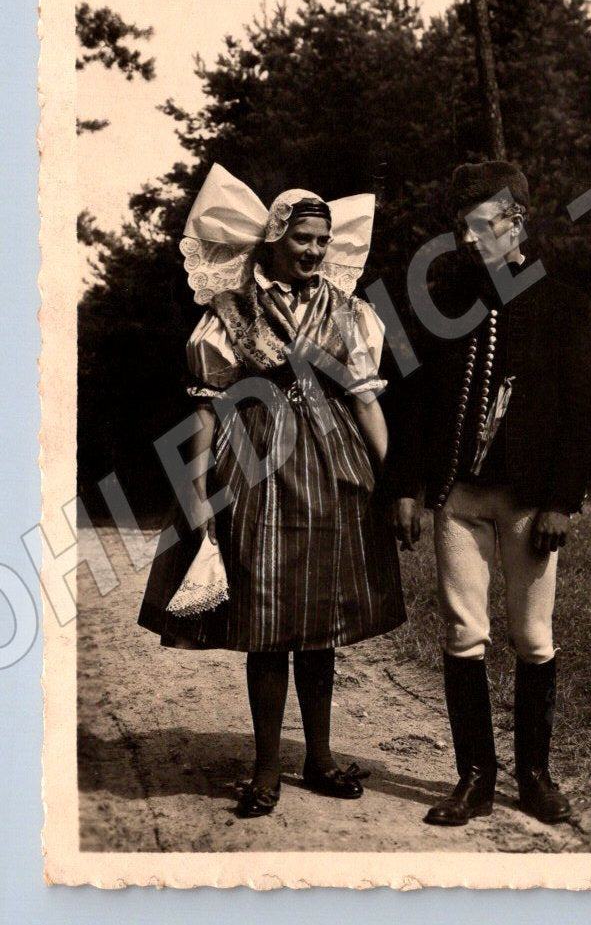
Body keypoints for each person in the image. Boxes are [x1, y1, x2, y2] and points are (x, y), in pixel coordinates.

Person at [139, 163, 405, 818]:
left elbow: (368, 404)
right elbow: (204, 411)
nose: (313, 251)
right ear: (273, 240)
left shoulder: (350, 314)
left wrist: (396, 481)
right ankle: (265, 765)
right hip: (254, 467)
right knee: (267, 620)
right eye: (302, 239)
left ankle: (319, 755)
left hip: (333, 469)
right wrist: (198, 494)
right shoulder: (230, 314)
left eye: (322, 240)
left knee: (320, 622)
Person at [388, 161, 591, 828]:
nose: (471, 241)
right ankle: (475, 776)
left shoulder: (561, 300)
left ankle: (534, 776)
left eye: (483, 225)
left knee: (534, 636)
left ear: (518, 222)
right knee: (462, 632)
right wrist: (404, 487)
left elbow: (580, 410)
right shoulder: (445, 302)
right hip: (460, 499)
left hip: (533, 503)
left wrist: (564, 499)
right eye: (463, 227)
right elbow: (412, 401)